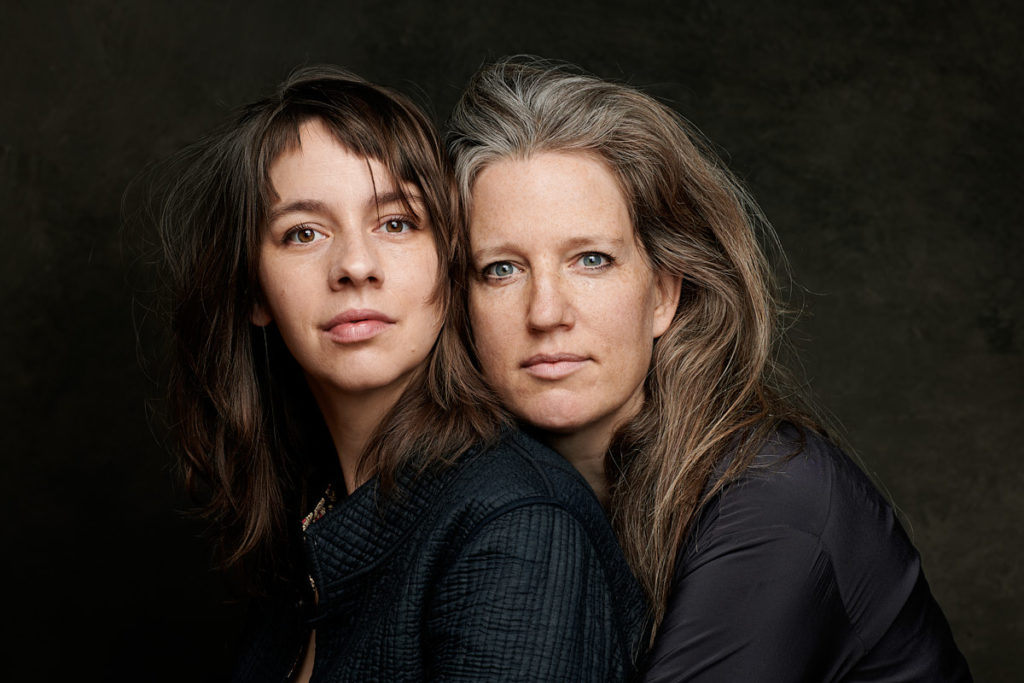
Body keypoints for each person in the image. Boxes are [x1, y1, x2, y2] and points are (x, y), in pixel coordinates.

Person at [447, 56, 973, 681]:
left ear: (663, 295)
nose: (546, 312)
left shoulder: (776, 502)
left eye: (591, 260)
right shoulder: (503, 501)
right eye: (501, 269)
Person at [155, 65, 646, 682]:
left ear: (449, 263)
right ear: (254, 289)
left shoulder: (517, 526)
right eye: (303, 233)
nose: (355, 265)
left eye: (396, 223)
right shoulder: (313, 523)